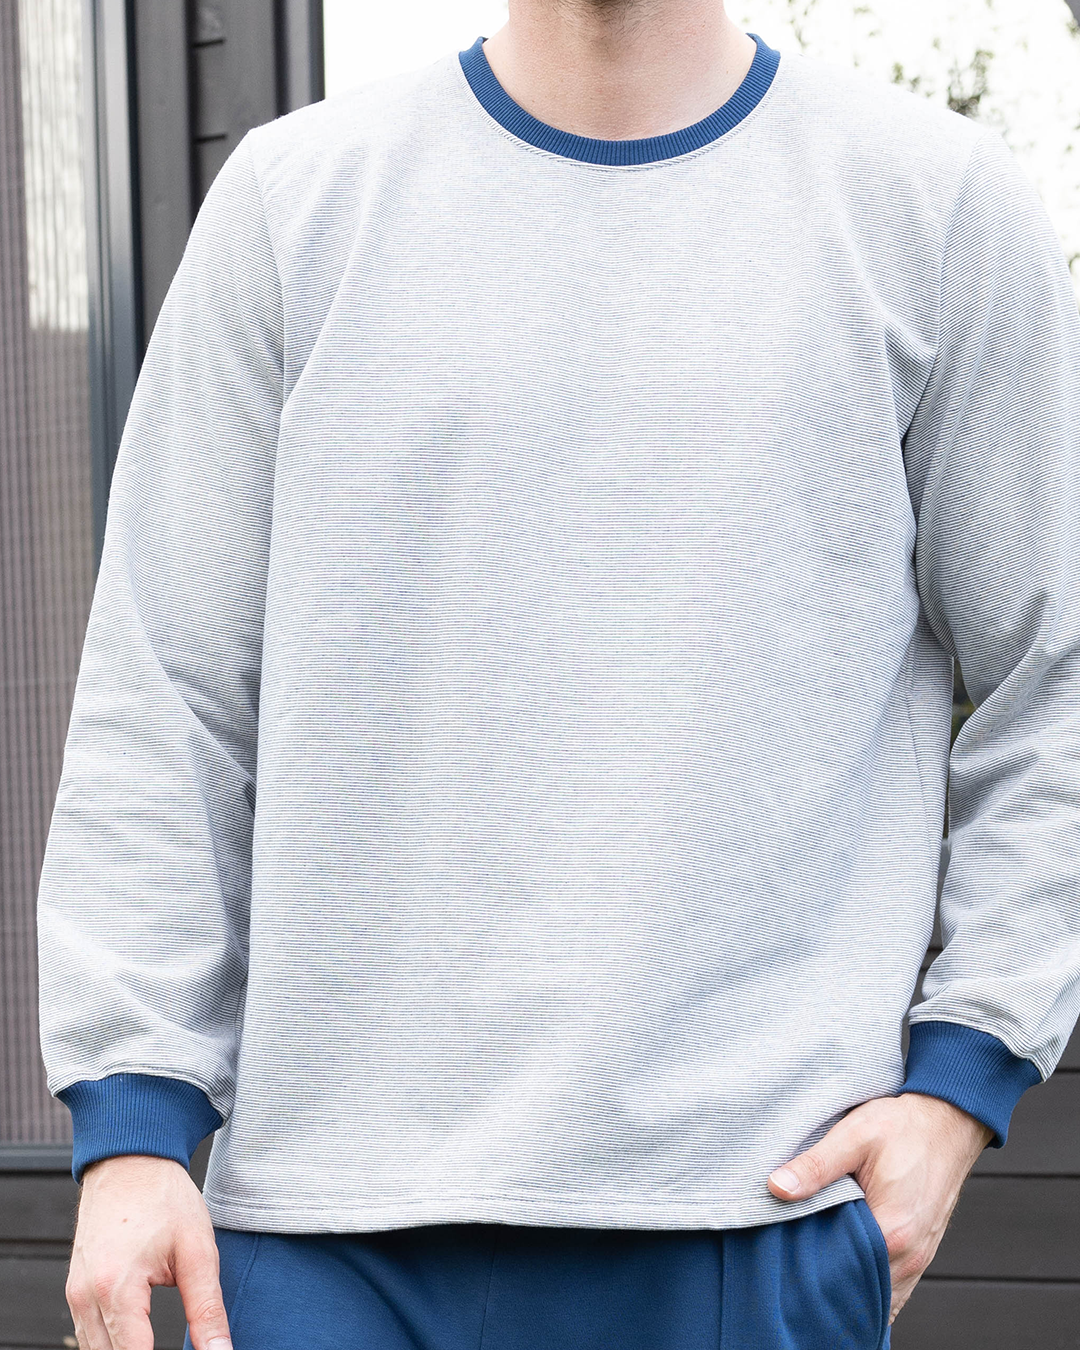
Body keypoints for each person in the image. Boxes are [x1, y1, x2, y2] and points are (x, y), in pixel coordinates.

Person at [36, 0, 1080, 1347]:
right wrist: (132, 1120)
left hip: (753, 1223)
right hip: (318, 1247)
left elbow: (1054, 678)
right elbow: (166, 695)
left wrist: (960, 1083)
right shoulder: (293, 205)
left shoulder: (935, 208)